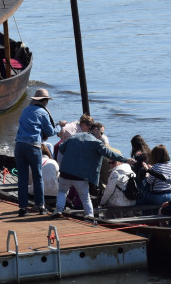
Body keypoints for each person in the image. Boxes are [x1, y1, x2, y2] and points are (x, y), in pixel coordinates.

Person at [54, 122, 132, 220]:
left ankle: (59, 210)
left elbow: (61, 148)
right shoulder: (97, 143)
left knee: (62, 191)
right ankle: (90, 216)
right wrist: (125, 160)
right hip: (80, 176)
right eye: (101, 133)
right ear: (95, 130)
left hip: (65, 172)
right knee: (85, 197)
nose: (102, 135)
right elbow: (109, 154)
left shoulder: (74, 137)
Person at [14, 88, 57, 216]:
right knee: (38, 177)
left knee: (22, 178)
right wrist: (59, 127)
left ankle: (22, 208)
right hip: (33, 146)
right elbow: (50, 132)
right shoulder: (42, 112)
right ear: (45, 101)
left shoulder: (25, 110)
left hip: (19, 146)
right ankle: (41, 206)